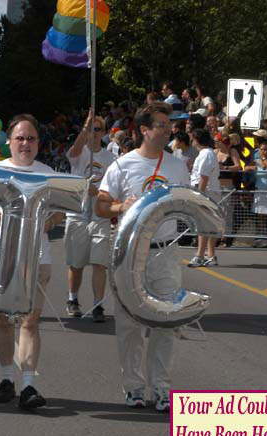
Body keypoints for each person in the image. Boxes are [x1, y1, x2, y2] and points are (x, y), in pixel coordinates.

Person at [96, 102, 190, 412]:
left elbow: (188, 205)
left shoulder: (177, 166)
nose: (167, 129)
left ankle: (161, 387)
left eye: (168, 124)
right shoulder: (122, 166)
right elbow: (100, 206)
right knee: (130, 324)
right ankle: (134, 387)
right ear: (144, 130)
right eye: (161, 124)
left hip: (164, 251)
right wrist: (121, 207)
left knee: (166, 321)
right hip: (129, 254)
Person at [0, 114, 63, 409]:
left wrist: (51, 220)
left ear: (38, 143)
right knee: (4, 319)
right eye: (20, 138)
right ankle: (7, 379)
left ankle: (30, 386)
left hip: (37, 257)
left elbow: (62, 211)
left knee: (31, 322)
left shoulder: (48, 173)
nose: (25, 143)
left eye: (31, 138)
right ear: (8, 142)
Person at [63, 110, 116, 322]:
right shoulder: (80, 153)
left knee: (99, 263)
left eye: (97, 129)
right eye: (90, 129)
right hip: (77, 213)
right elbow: (74, 152)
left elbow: (114, 189)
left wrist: (100, 193)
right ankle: (73, 299)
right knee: (76, 264)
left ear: (103, 132)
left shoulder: (111, 158)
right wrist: (84, 129)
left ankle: (97, 305)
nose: (94, 133)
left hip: (99, 214)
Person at [188, 129, 221, 267]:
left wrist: (199, 195)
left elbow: (203, 177)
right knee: (209, 224)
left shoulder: (206, 154)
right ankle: (210, 255)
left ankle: (200, 255)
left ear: (197, 140)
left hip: (206, 193)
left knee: (203, 224)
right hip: (209, 192)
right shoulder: (206, 153)